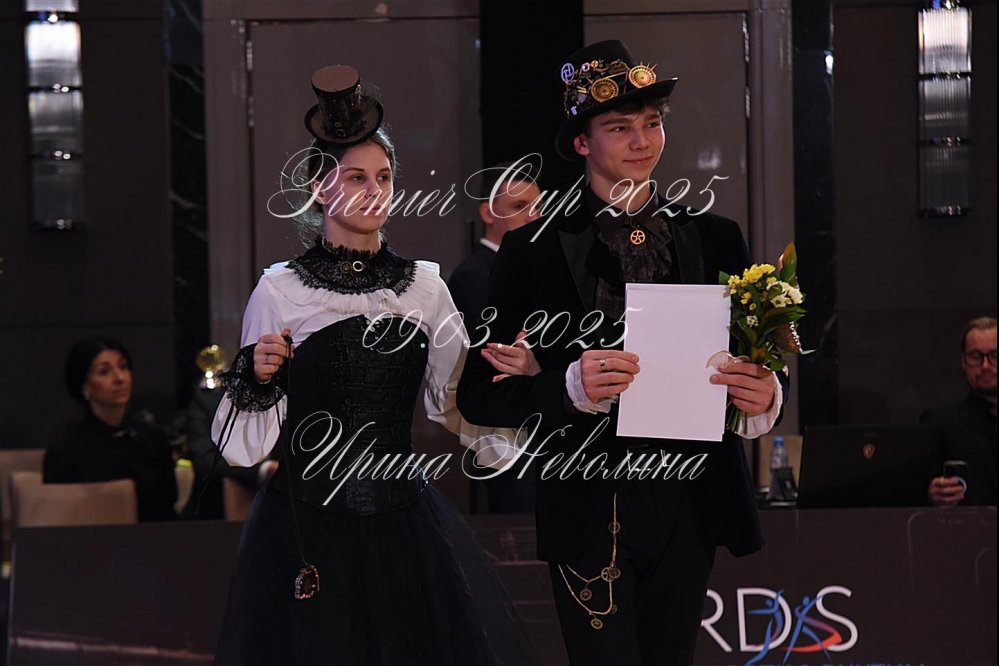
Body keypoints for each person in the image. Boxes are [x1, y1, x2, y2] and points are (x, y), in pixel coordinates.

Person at [457, 40, 787, 665]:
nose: (642, 140)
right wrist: (567, 386)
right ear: (582, 142)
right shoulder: (533, 248)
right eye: (619, 127)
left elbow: (761, 360)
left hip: (691, 498)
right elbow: (478, 393)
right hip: (589, 502)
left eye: (652, 123)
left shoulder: (716, 237)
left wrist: (768, 393)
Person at [210, 65, 534, 665]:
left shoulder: (425, 289)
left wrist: (515, 384)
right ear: (319, 188)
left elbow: (457, 401)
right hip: (306, 522)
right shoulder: (280, 291)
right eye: (356, 177)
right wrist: (258, 375)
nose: (373, 190)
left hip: (402, 521)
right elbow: (241, 449)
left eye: (383, 177)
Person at [449, 161, 543, 513]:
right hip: (503, 431)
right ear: (487, 212)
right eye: (520, 206)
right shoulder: (473, 275)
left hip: (542, 421)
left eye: (538, 206)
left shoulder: (540, 268)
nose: (533, 215)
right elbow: (496, 352)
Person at [44, 337, 177, 522]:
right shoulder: (66, 450)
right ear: (85, 386)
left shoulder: (151, 438)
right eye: (104, 372)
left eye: (123, 367)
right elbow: (61, 517)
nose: (120, 378)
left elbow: (167, 503)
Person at [925, 316, 997, 506]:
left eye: (995, 355)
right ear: (963, 362)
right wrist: (932, 494)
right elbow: (918, 490)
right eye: (975, 356)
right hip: (964, 524)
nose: (985, 366)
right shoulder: (940, 422)